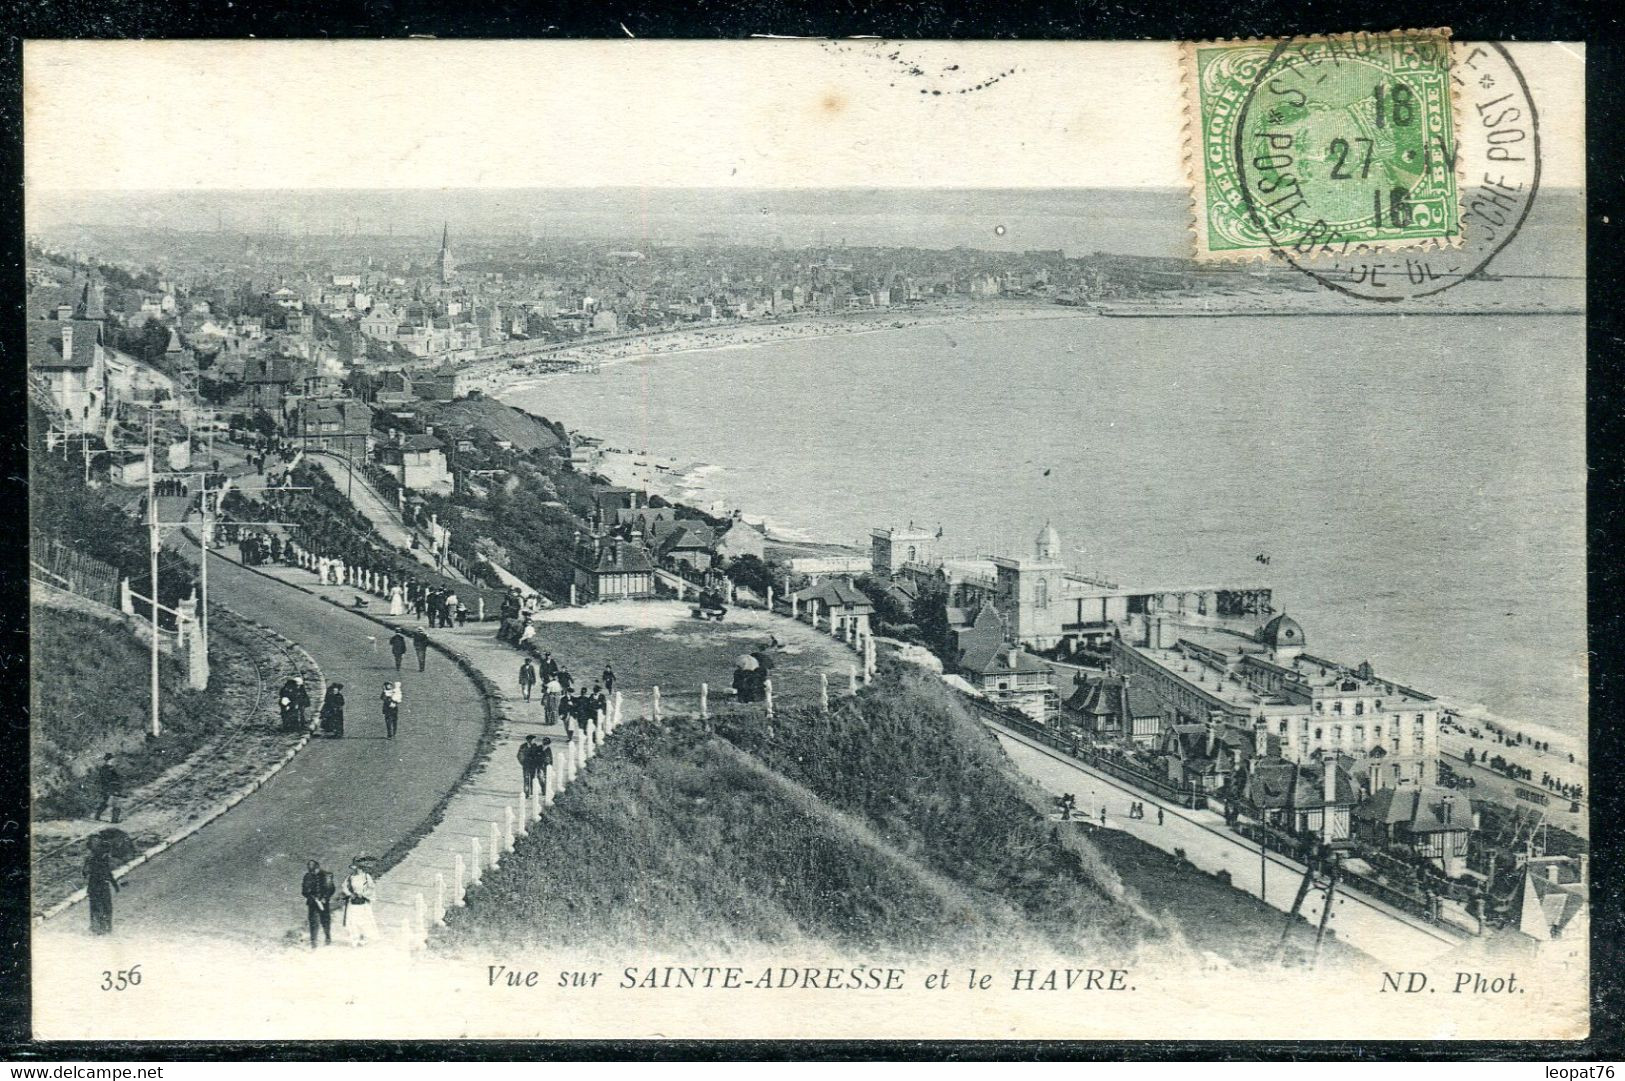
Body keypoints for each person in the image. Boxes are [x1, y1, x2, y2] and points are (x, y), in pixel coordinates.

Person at [341, 858, 378, 946]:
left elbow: (371, 888)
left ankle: (363, 938)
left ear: (360, 868)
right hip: (353, 902)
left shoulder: (366, 876)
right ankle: (355, 938)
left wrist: (364, 894)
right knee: (353, 920)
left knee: (364, 920)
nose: (354, 869)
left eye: (356, 867)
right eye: (354, 868)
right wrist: (350, 894)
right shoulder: (350, 877)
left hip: (363, 902)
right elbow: (344, 887)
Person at [85, 846, 120, 936]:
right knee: (105, 907)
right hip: (102, 888)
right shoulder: (102, 861)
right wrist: (115, 886)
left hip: (94, 888)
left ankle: (98, 927)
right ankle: (105, 927)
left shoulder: (92, 860)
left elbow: (85, 873)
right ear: (104, 854)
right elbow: (108, 874)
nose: (108, 856)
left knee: (97, 908)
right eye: (107, 854)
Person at [301, 860, 335, 948]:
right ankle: (313, 942)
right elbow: (304, 891)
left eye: (313, 868)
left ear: (317, 867)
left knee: (325, 921)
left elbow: (331, 889)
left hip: (324, 902)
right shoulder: (307, 876)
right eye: (309, 868)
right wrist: (311, 896)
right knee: (313, 922)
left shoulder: (327, 875)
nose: (311, 871)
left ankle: (328, 938)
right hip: (312, 903)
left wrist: (325, 898)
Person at [92, 754, 121, 823]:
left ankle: (97, 815)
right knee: (115, 803)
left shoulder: (108, 768)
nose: (113, 760)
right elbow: (106, 779)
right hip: (110, 788)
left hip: (109, 788)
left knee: (106, 803)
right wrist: (113, 788)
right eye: (112, 759)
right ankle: (114, 820)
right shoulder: (106, 769)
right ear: (109, 760)